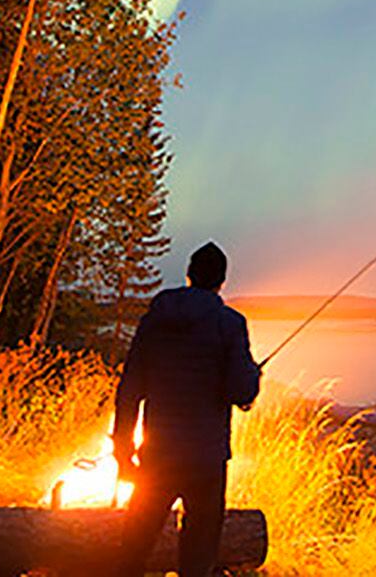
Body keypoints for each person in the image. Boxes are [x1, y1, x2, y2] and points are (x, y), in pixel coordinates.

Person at [109, 241, 261, 577]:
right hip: (206, 461)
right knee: (198, 559)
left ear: (189, 274)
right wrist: (254, 374)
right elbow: (242, 391)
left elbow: (129, 391)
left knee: (133, 549)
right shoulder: (230, 324)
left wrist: (123, 452)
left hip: (157, 454)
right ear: (221, 280)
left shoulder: (154, 321)